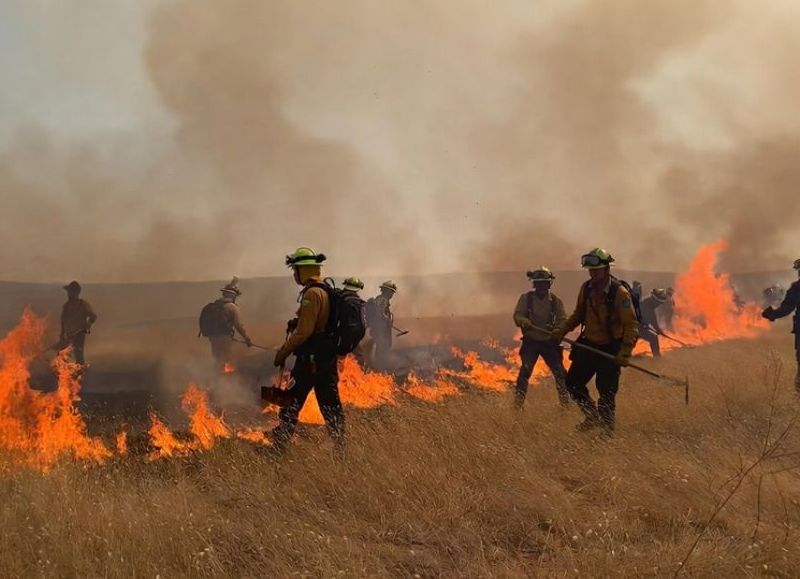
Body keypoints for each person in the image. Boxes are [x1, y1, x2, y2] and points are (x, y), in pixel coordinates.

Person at [552, 248, 639, 433]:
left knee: (606, 393)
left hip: (610, 348)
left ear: (606, 269)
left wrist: (625, 351)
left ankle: (606, 434)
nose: (592, 273)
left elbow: (631, 324)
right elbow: (578, 314)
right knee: (573, 383)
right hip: (589, 345)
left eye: (596, 270)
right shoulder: (586, 288)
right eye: (590, 270)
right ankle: (592, 416)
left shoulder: (620, 293)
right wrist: (562, 330)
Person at [272, 247, 345, 452]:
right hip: (326, 359)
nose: (294, 274)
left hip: (310, 359)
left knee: (291, 402)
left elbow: (304, 332)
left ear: (303, 270)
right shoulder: (326, 291)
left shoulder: (312, 294)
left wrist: (283, 351)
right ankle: (340, 448)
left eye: (295, 270)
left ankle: (279, 448)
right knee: (330, 404)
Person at [512, 267, 569, 407]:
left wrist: (557, 330)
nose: (541, 286)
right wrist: (523, 321)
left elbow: (563, 320)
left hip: (549, 343)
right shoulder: (526, 299)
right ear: (534, 284)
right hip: (531, 342)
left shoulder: (556, 301)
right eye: (538, 283)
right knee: (524, 374)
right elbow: (518, 315)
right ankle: (517, 406)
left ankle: (566, 405)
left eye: (544, 283)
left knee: (560, 374)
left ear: (549, 284)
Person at [199, 277, 252, 372]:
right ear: (234, 296)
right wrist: (247, 338)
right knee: (227, 358)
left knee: (216, 358)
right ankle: (226, 379)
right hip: (224, 337)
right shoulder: (232, 307)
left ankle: (216, 378)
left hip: (212, 337)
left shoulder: (215, 305)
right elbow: (238, 325)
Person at [762, 259, 800, 390]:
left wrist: (772, 314)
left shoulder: (797, 287)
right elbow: (787, 307)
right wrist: (772, 314)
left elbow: (787, 308)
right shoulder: (796, 288)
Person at [59, 281, 98, 366]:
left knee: (78, 356)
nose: (68, 294)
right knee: (62, 355)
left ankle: (80, 375)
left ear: (76, 293)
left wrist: (87, 325)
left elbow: (93, 316)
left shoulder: (83, 305)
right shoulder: (66, 306)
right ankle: (65, 375)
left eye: (70, 291)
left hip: (79, 334)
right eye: (68, 292)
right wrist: (62, 334)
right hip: (68, 335)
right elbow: (63, 320)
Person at [366, 281, 397, 370]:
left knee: (380, 349)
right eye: (391, 292)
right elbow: (380, 313)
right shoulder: (383, 300)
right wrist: (388, 320)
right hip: (381, 331)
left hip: (379, 330)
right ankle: (380, 369)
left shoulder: (379, 299)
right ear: (387, 291)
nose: (392, 294)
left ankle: (379, 368)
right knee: (382, 350)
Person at [639, 289, 668, 357]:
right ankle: (657, 356)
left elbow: (652, 320)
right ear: (655, 301)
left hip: (640, 327)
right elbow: (652, 320)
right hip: (634, 328)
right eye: (659, 303)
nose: (658, 305)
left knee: (653, 337)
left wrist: (658, 329)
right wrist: (657, 329)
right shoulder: (645, 306)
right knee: (653, 338)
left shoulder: (647, 304)